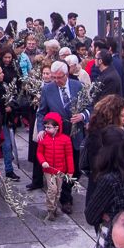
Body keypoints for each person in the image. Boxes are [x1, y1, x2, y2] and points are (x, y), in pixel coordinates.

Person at [36, 61, 91, 215]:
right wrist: (41, 129)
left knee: (77, 167)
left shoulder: (78, 86)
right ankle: (66, 199)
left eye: (59, 77)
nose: (56, 80)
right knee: (62, 166)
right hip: (57, 135)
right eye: (54, 77)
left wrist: (82, 116)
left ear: (66, 75)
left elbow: (90, 107)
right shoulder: (48, 89)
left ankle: (66, 188)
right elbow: (41, 112)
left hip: (76, 134)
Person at [37, 112, 74, 220]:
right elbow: (39, 152)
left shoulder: (65, 139)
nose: (46, 129)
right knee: (52, 189)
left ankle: (54, 206)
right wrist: (42, 161)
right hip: (48, 170)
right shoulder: (43, 138)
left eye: (49, 127)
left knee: (58, 191)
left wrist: (70, 171)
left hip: (60, 170)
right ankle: (50, 209)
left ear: (57, 127)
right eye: (45, 127)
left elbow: (69, 156)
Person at [25, 62, 54, 191]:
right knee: (38, 149)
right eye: (44, 73)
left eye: (48, 73)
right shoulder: (38, 86)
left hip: (52, 121)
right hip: (39, 121)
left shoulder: (54, 87)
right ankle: (37, 180)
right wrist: (35, 101)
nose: (46, 76)